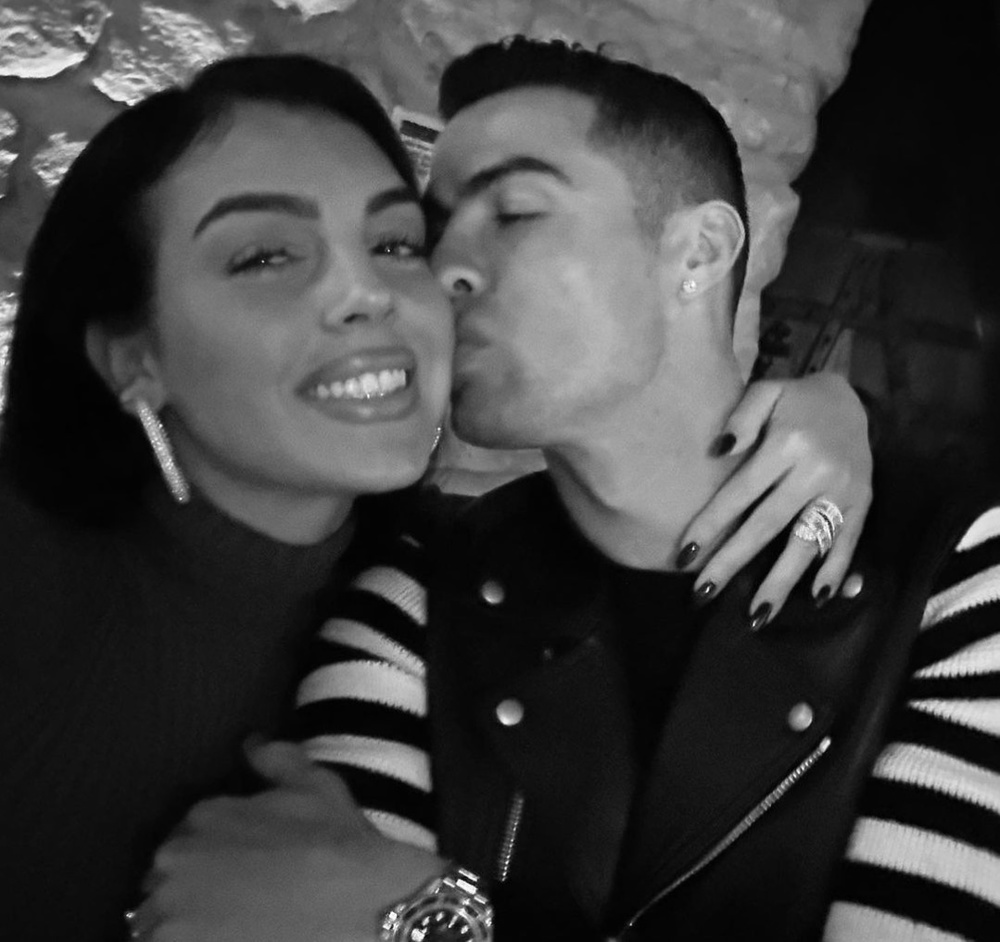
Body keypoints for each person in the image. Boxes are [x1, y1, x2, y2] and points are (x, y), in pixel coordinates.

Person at [0, 51, 870, 942]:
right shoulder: (29, 573)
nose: (369, 292)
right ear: (133, 359)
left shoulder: (441, 589)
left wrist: (842, 428)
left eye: (394, 245)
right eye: (264, 255)